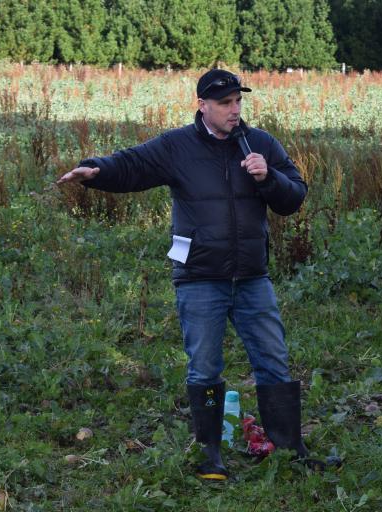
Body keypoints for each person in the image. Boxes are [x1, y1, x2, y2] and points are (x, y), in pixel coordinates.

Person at [57, 69, 316, 480]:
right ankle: (210, 456)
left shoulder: (261, 144)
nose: (234, 110)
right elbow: (133, 164)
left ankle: (290, 449)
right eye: (225, 103)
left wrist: (270, 178)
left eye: (238, 101)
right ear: (203, 106)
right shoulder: (177, 146)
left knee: (274, 363)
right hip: (199, 278)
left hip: (252, 277)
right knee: (204, 367)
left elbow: (295, 197)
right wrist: (96, 171)